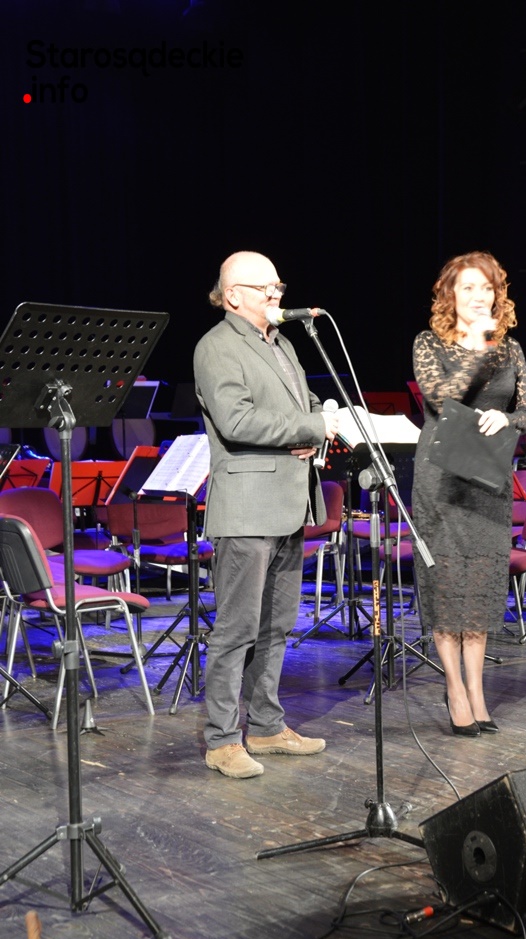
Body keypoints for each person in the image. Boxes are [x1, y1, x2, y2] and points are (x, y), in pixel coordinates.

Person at [194, 250, 339, 778]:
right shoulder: (216, 346)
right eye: (266, 287)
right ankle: (221, 741)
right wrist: (308, 428)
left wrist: (322, 418)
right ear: (233, 295)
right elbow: (236, 421)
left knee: (277, 627)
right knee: (237, 631)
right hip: (247, 508)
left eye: (279, 285)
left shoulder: (281, 344)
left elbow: (304, 405)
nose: (277, 294)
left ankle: (267, 726)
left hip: (288, 504)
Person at [412, 251, 526, 737]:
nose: (479, 296)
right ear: (450, 295)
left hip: (488, 480)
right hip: (440, 480)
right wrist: (479, 345)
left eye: (487, 288)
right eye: (468, 287)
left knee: (480, 590)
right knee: (447, 587)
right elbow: (442, 398)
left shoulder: (512, 349)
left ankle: (478, 692)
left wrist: (507, 418)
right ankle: (455, 690)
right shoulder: (429, 343)